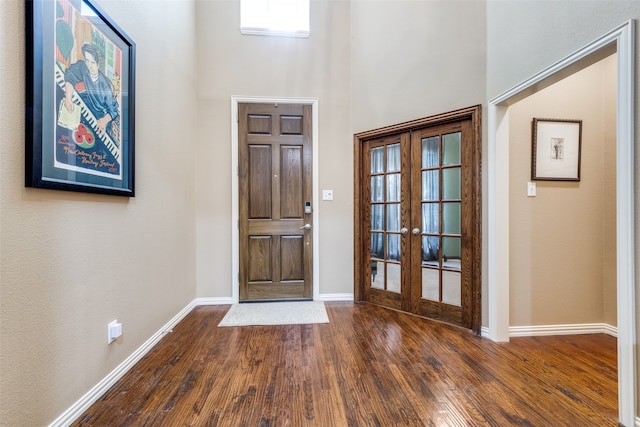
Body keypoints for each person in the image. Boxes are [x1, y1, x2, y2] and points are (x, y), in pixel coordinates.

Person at [63, 43, 119, 139]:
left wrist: (104, 121)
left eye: (92, 62)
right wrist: (68, 98)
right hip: (88, 105)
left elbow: (113, 111)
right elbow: (70, 76)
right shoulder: (84, 67)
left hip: (101, 117)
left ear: (98, 65)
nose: (90, 66)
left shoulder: (106, 87)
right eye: (87, 61)